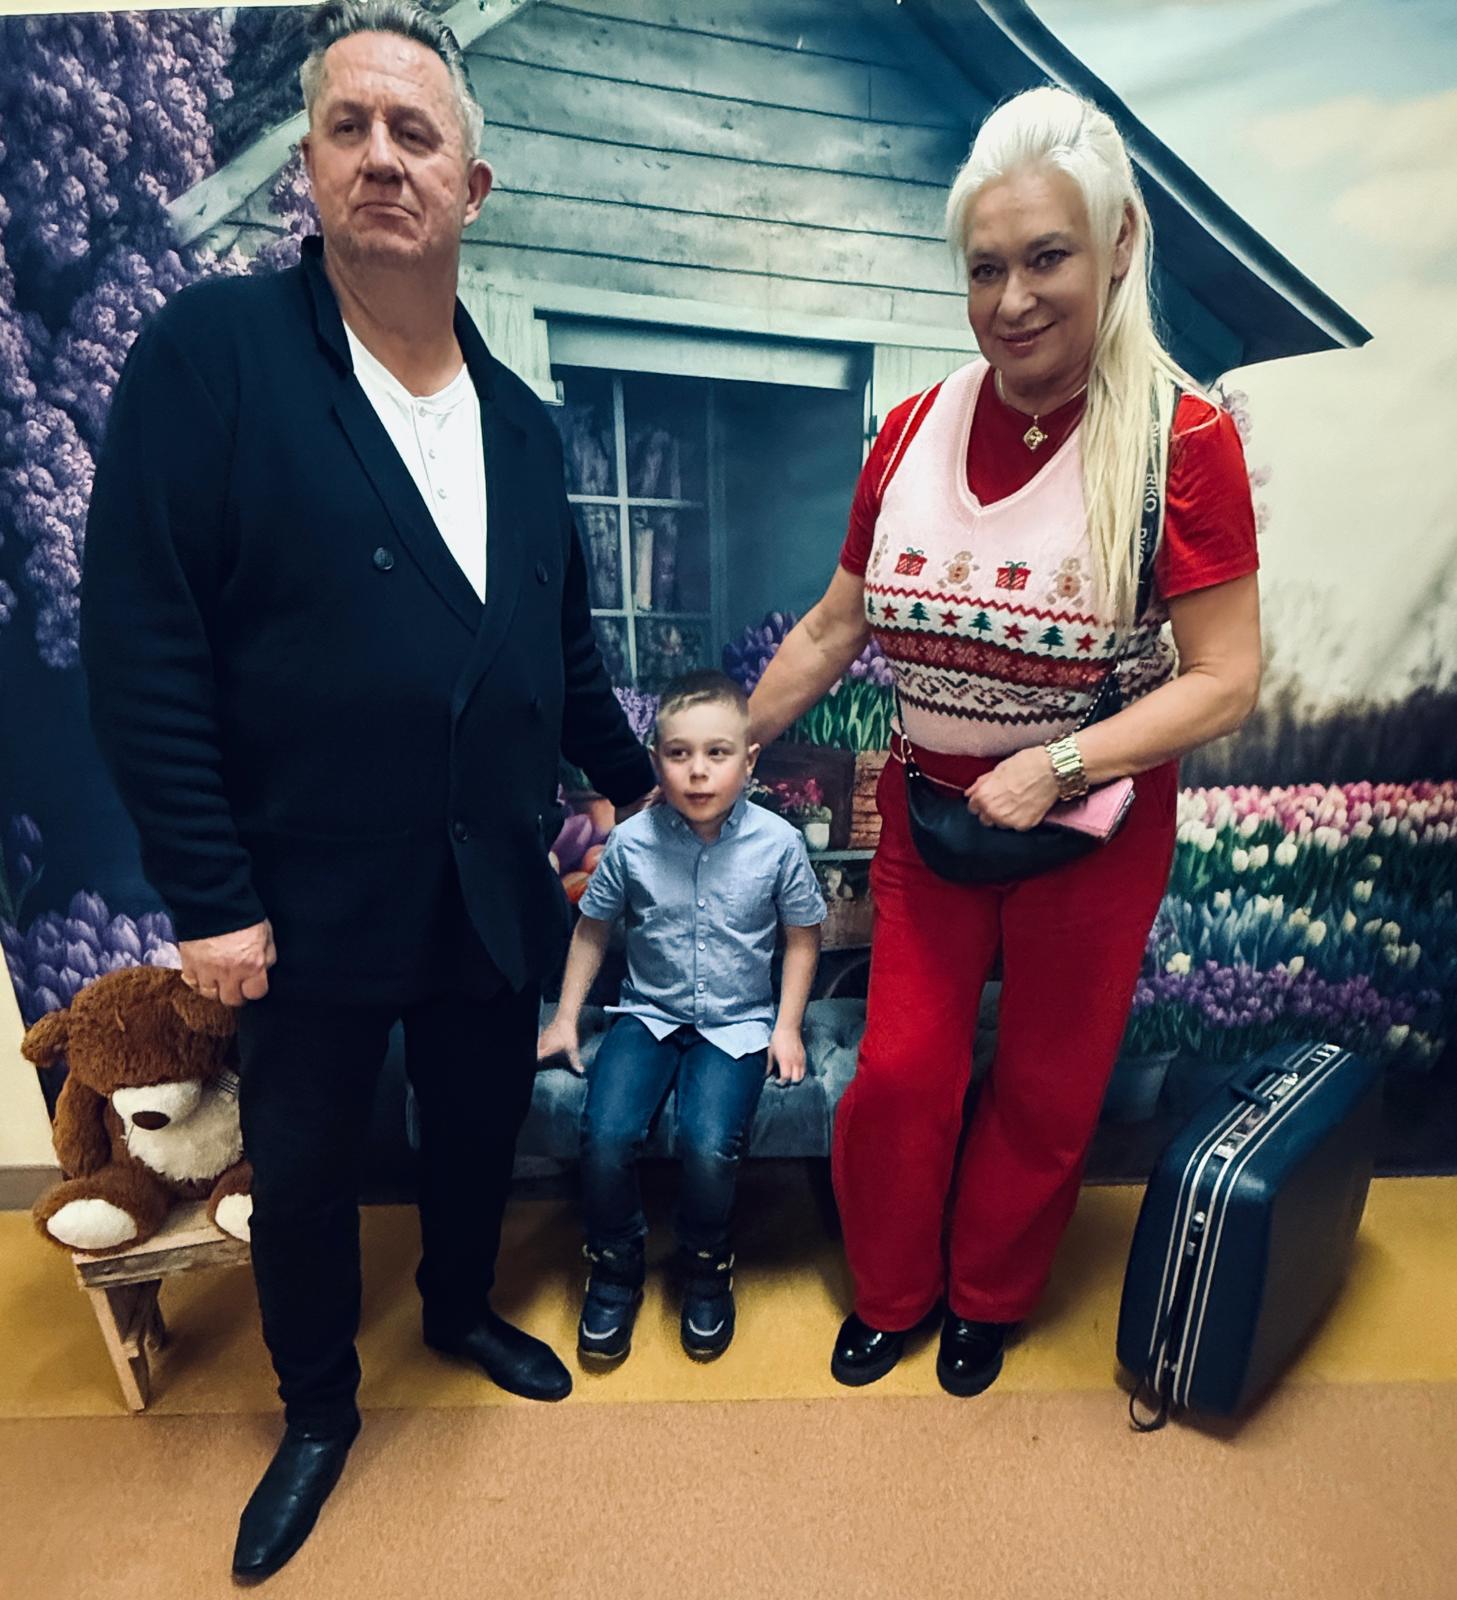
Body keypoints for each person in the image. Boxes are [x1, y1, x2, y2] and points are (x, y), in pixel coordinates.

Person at [79, 0, 654, 1580]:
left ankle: (457, 1308)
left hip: (490, 883)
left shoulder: (525, 429)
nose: (383, 158)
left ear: (474, 186)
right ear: (311, 168)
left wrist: (643, 792)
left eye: (417, 133)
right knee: (312, 1170)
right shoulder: (213, 358)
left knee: (474, 1130)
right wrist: (210, 893)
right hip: (298, 893)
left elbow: (559, 656)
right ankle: (319, 1411)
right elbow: (141, 641)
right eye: (351, 127)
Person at [747, 87, 1262, 1399]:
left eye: (1045, 259)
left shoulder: (1183, 441)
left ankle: (986, 1295)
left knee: (1043, 1085)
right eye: (985, 269)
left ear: (1117, 245)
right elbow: (832, 626)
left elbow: (1225, 680)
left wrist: (1063, 765)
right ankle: (892, 1292)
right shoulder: (910, 427)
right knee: (900, 1075)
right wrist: (724, 746)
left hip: (1090, 824)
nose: (1013, 299)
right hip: (929, 810)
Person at [537, 671, 826, 1364]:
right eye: (679, 753)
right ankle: (615, 1266)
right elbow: (592, 928)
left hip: (736, 1024)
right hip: (649, 1015)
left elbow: (801, 937)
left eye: (717, 753)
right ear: (656, 759)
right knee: (606, 1135)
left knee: (707, 1143)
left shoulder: (778, 844)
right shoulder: (632, 842)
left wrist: (786, 1026)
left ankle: (705, 1264)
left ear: (748, 761)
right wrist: (567, 1018)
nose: (698, 771)